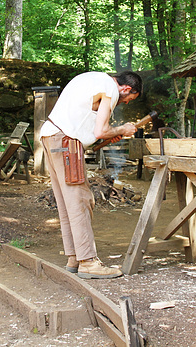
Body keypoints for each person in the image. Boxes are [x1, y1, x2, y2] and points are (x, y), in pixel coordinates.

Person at [40, 71, 142, 279]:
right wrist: (122, 128)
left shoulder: (94, 79)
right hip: (66, 142)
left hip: (51, 136)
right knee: (80, 200)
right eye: (130, 99)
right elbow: (100, 132)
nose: (127, 103)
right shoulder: (110, 90)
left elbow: (88, 120)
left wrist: (112, 132)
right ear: (127, 89)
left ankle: (74, 258)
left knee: (67, 201)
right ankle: (88, 262)